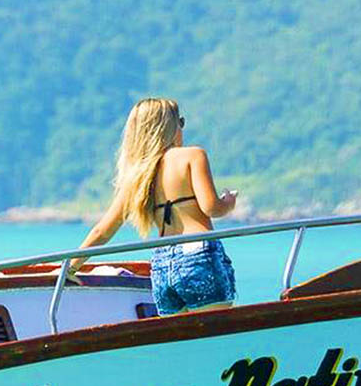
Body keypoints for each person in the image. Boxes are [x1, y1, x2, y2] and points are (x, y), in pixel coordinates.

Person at [70, 97, 238, 315]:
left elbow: (102, 230)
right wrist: (228, 203)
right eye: (181, 122)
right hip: (198, 256)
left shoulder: (137, 175)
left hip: (161, 264)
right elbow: (210, 207)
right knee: (218, 335)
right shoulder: (192, 156)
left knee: (180, 342)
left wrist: (71, 267)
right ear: (169, 126)